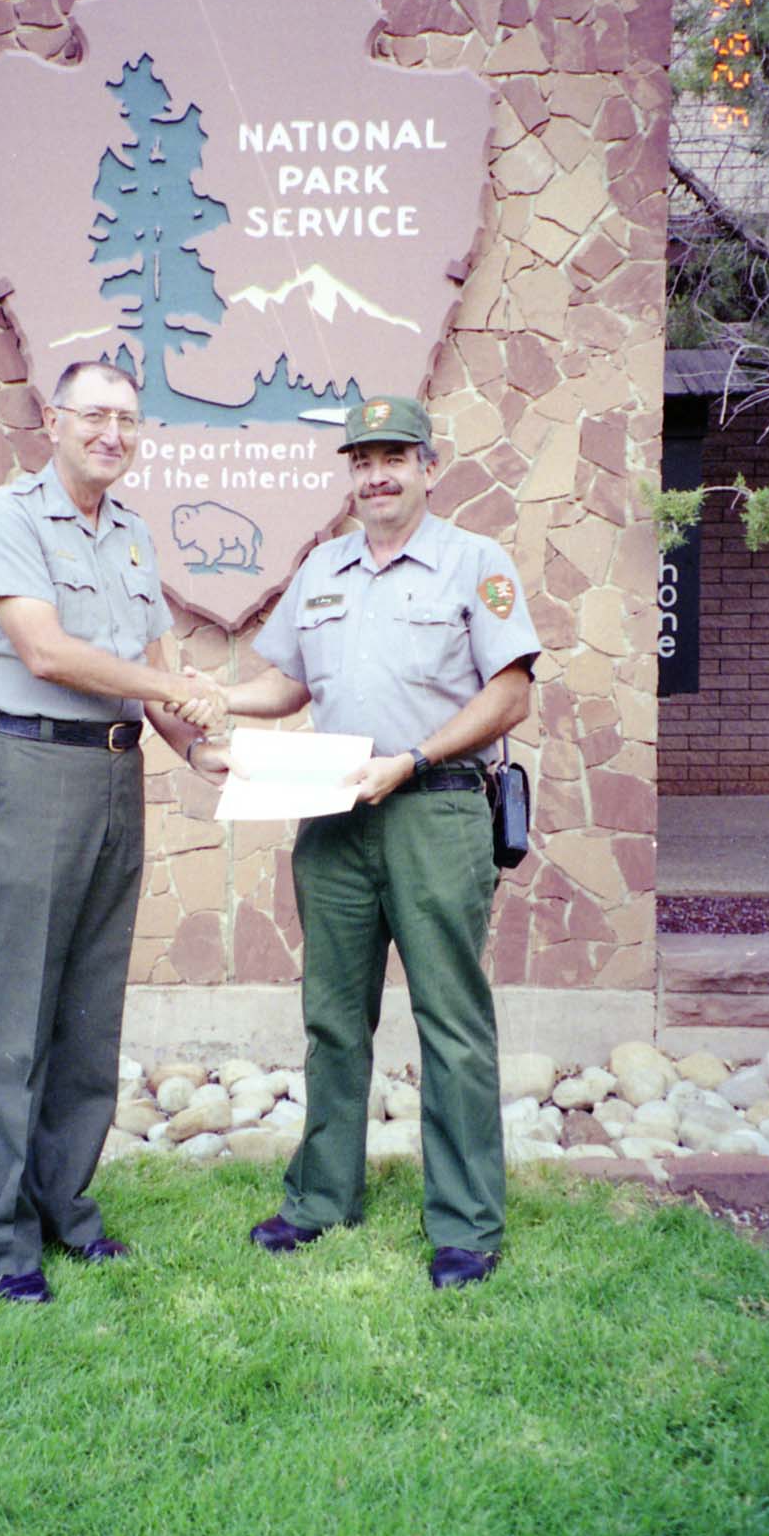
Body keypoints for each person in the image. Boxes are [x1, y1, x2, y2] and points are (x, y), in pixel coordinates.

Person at [190, 396, 539, 1289]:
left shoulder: (476, 563)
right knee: (333, 1018)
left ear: (429, 466)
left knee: (451, 1021)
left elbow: (509, 698)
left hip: (435, 809)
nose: (376, 473)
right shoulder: (324, 570)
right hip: (335, 820)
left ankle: (464, 1225)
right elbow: (284, 684)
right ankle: (320, 1199)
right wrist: (215, 701)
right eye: (362, 458)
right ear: (349, 475)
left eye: (394, 455)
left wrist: (411, 759)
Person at [0, 360, 226, 1305]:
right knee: (20, 1013)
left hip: (117, 773)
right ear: (55, 419)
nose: (113, 432)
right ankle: (6, 1241)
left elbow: (154, 668)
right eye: (96, 416)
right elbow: (45, 650)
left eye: (128, 419)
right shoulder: (9, 516)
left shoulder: (131, 536)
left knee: (87, 1012)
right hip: (31, 771)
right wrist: (173, 689)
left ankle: (66, 1208)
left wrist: (200, 752)